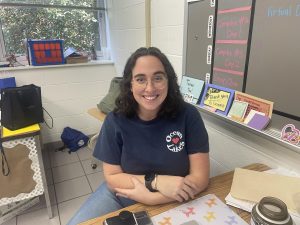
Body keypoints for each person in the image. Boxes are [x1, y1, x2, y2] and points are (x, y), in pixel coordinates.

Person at [67, 47, 210, 225]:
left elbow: (200, 178)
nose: (150, 88)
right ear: (130, 84)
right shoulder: (115, 121)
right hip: (122, 194)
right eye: (140, 79)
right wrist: (156, 182)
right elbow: (112, 178)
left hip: (176, 195)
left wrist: (153, 199)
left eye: (158, 78)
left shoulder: (188, 115)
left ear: (169, 81)